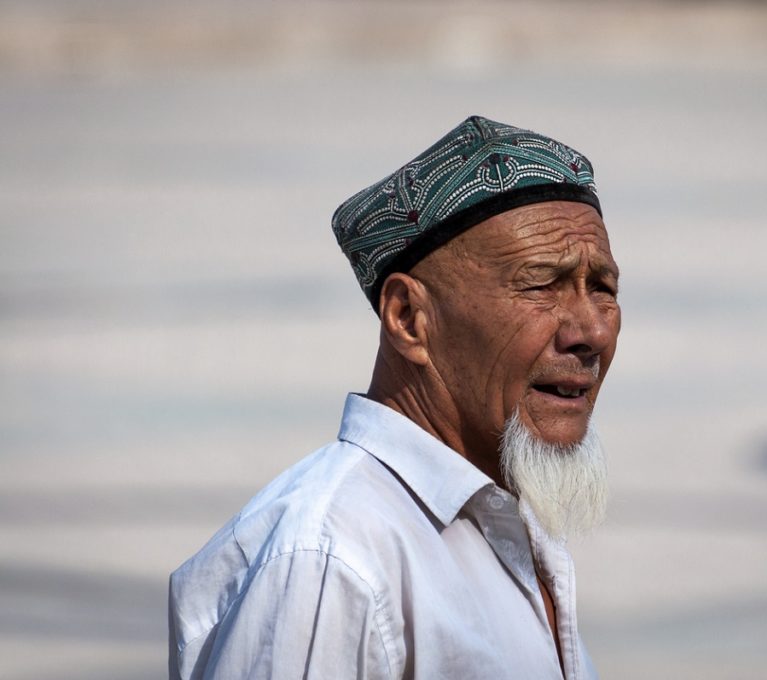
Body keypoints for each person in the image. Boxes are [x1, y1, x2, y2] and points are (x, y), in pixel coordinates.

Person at [168, 115, 621, 679]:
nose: (592, 332)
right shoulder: (333, 560)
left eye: (601, 287)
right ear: (408, 318)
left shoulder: (505, 524)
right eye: (540, 285)